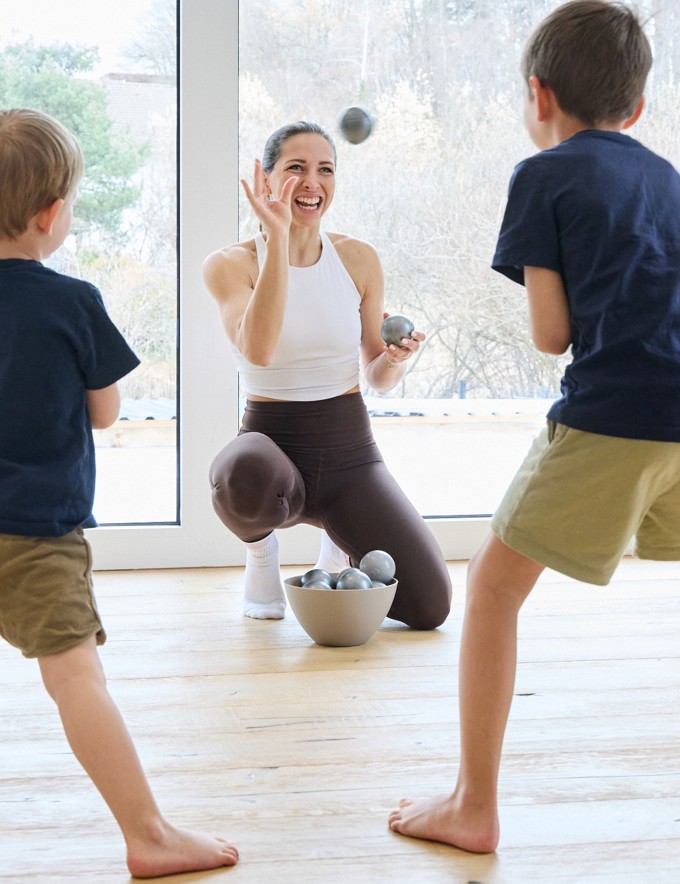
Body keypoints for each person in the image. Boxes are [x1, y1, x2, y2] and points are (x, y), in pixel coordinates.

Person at [388, 0, 680, 852]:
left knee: (494, 587)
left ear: (537, 94)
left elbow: (552, 335)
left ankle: (473, 805)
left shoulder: (542, 177)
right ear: (634, 108)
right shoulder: (668, 179)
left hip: (613, 414)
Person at [0, 108, 238, 876]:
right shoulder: (73, 303)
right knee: (75, 680)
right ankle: (148, 834)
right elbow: (105, 412)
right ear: (49, 215)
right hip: (37, 534)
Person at [204, 120, 452, 627]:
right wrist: (276, 239)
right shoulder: (231, 265)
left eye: (325, 170)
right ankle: (262, 556)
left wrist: (395, 359)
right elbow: (259, 349)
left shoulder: (358, 259)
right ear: (268, 181)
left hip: (349, 454)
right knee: (237, 478)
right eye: (296, 169)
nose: (312, 183)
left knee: (429, 606)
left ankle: (338, 541)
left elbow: (374, 378)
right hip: (270, 448)